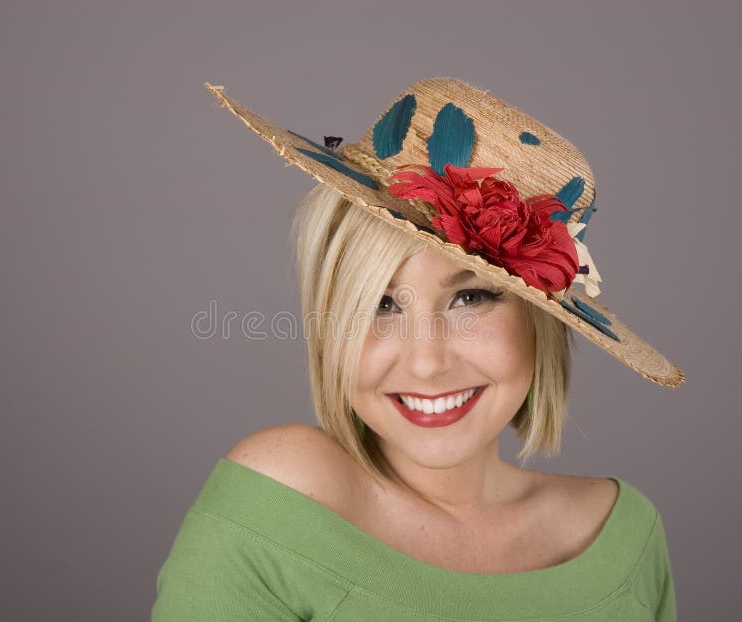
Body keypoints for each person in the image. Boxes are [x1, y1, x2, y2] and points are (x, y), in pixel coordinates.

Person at [151, 77, 683, 621]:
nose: (427, 363)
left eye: (470, 297)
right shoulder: (280, 502)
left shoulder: (625, 540)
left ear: (539, 321)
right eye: (380, 305)